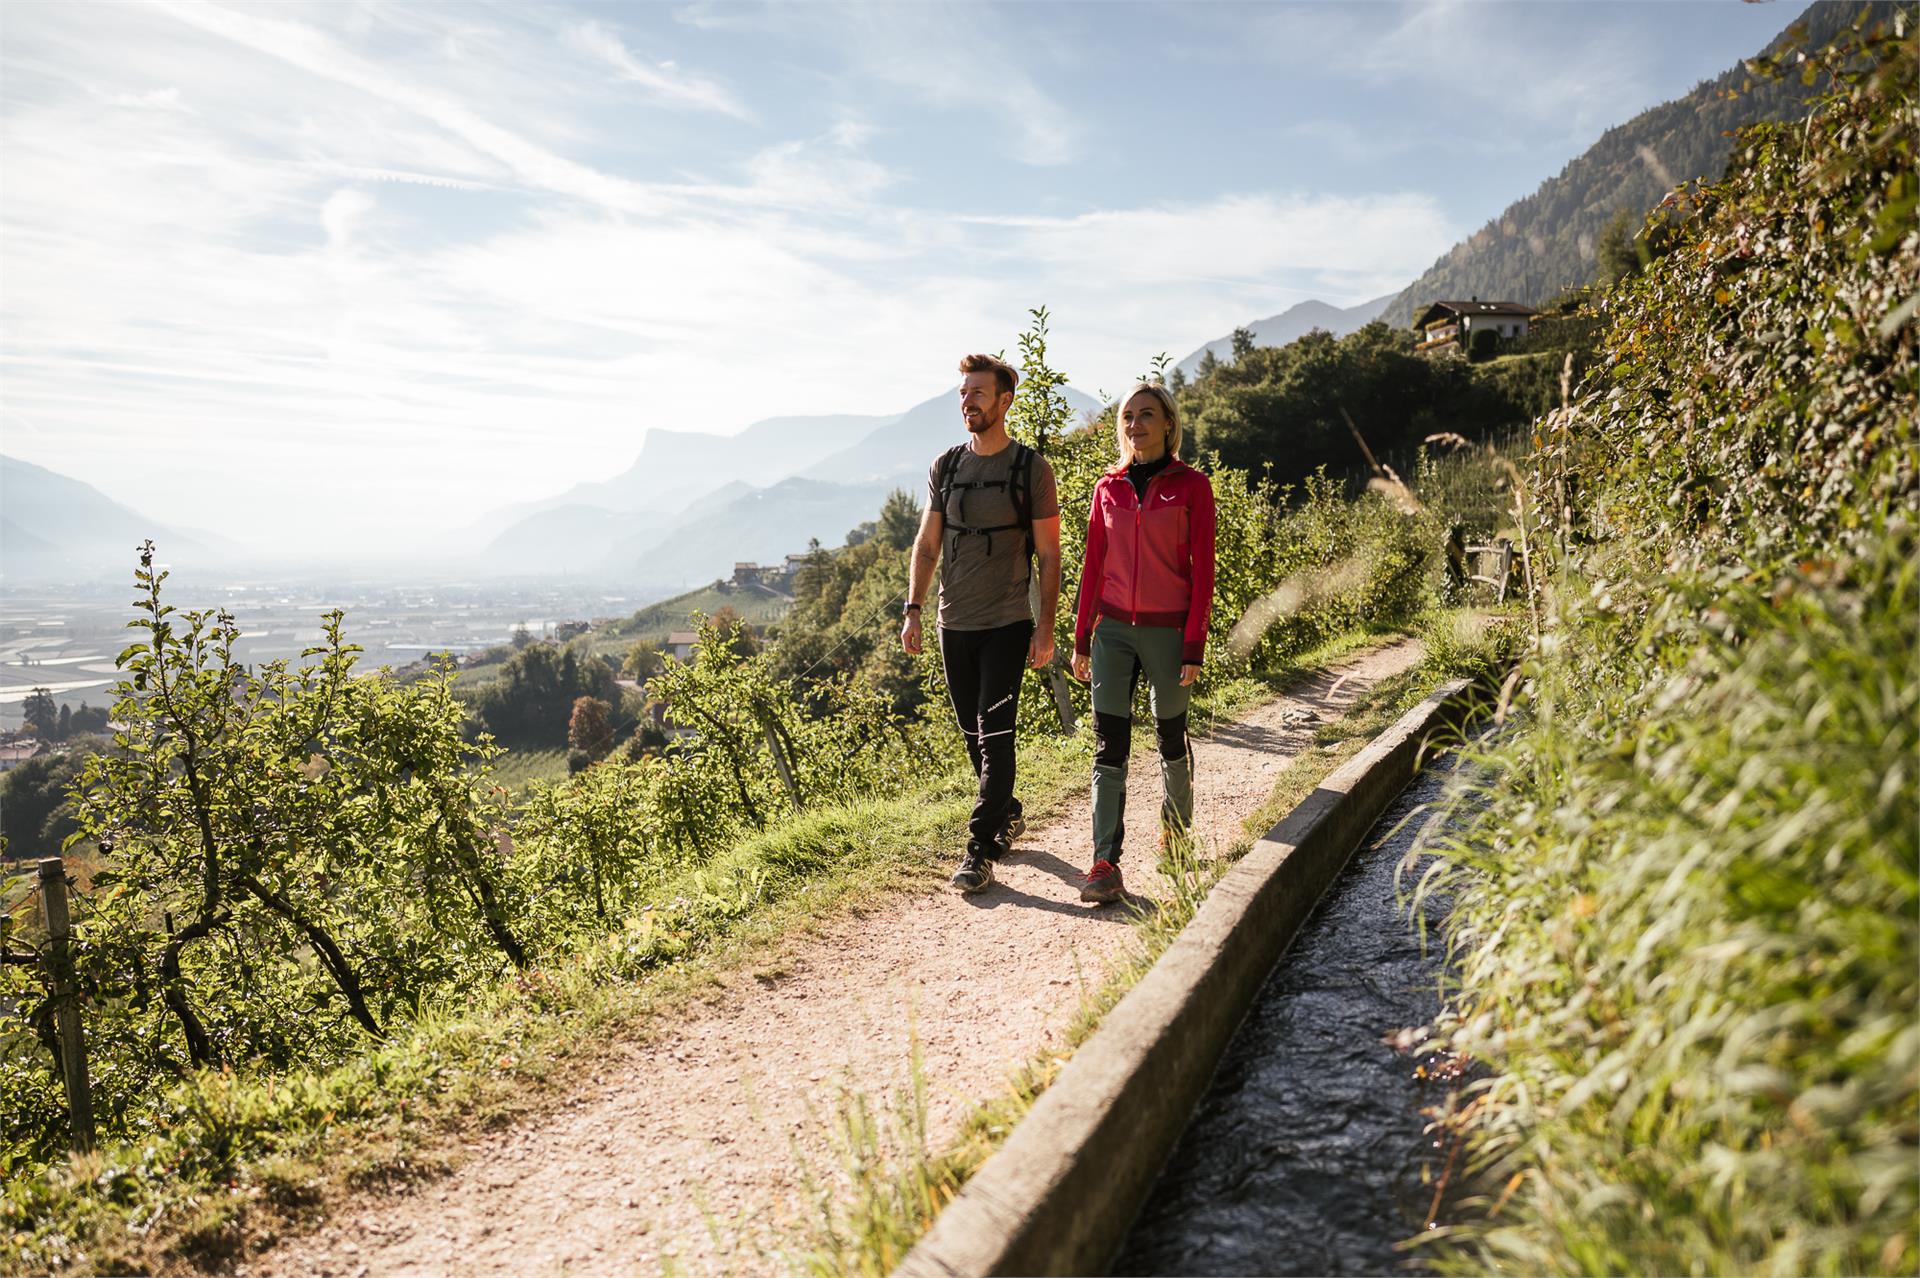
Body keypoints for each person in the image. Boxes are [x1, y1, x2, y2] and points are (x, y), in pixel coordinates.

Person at [901, 353, 1062, 894]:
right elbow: (927, 545)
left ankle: (979, 849)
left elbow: (1049, 555)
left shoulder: (1031, 470)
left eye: (977, 393)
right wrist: (914, 610)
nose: (967, 401)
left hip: (1007, 623)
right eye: (963, 393)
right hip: (953, 622)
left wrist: (1046, 627)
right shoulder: (945, 467)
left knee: (996, 735)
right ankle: (1007, 811)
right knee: (973, 734)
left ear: (1003, 400)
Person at [1069, 382, 1216, 903]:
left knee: (1170, 738)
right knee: (1109, 745)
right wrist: (1082, 636)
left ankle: (1176, 834)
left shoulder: (1193, 486)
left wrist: (1193, 642)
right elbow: (1093, 566)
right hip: (1111, 631)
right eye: (1128, 416)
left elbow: (1203, 574)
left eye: (1146, 415)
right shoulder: (1107, 488)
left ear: (1169, 424)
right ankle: (1104, 861)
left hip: (1169, 632)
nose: (1136, 424)